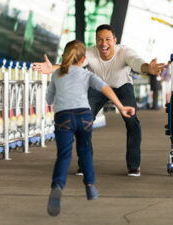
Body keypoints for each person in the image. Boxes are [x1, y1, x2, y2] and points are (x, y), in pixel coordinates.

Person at [33, 24, 165, 177]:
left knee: (132, 122)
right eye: (100, 40)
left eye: (108, 39)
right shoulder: (90, 53)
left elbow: (137, 62)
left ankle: (134, 166)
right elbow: (72, 64)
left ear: (114, 40)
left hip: (122, 86)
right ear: (96, 41)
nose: (104, 43)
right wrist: (53, 68)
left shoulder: (125, 52)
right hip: (97, 88)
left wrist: (148, 68)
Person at [46, 40, 135, 216]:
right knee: (84, 150)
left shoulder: (57, 75)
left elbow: (49, 100)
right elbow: (106, 89)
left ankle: (57, 185)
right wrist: (121, 106)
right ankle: (90, 186)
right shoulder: (87, 75)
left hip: (64, 117)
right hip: (84, 116)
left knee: (64, 154)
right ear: (84, 59)